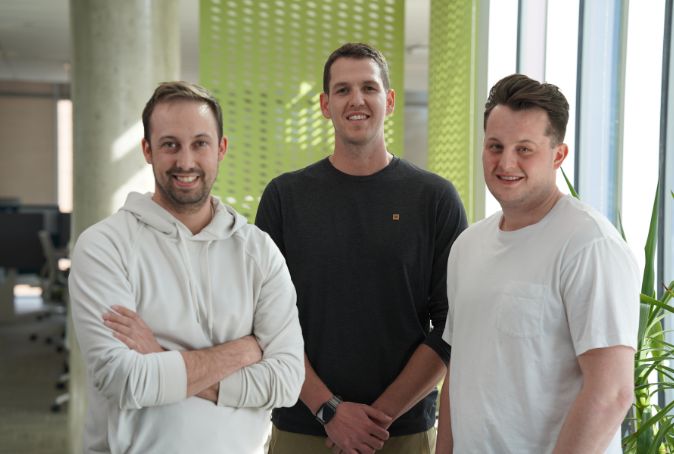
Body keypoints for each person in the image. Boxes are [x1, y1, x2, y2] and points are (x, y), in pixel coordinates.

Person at [68, 81, 304, 454]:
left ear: (221, 148)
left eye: (200, 143)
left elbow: (287, 382)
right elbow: (126, 380)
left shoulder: (258, 252)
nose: (186, 162)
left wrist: (160, 358)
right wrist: (242, 352)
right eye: (169, 145)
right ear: (147, 150)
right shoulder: (104, 246)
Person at [256, 43, 467, 454]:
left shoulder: (435, 198)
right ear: (324, 104)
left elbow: (451, 325)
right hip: (303, 425)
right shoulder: (284, 197)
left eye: (369, 88)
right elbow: (264, 320)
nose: (357, 100)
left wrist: (374, 420)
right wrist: (329, 411)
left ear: (388, 101)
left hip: (400, 431)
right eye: (342, 90)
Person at [436, 74, 640, 453]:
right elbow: (459, 374)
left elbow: (611, 393)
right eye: (495, 146)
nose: (505, 162)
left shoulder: (589, 244)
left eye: (524, 149)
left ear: (558, 155)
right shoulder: (467, 246)